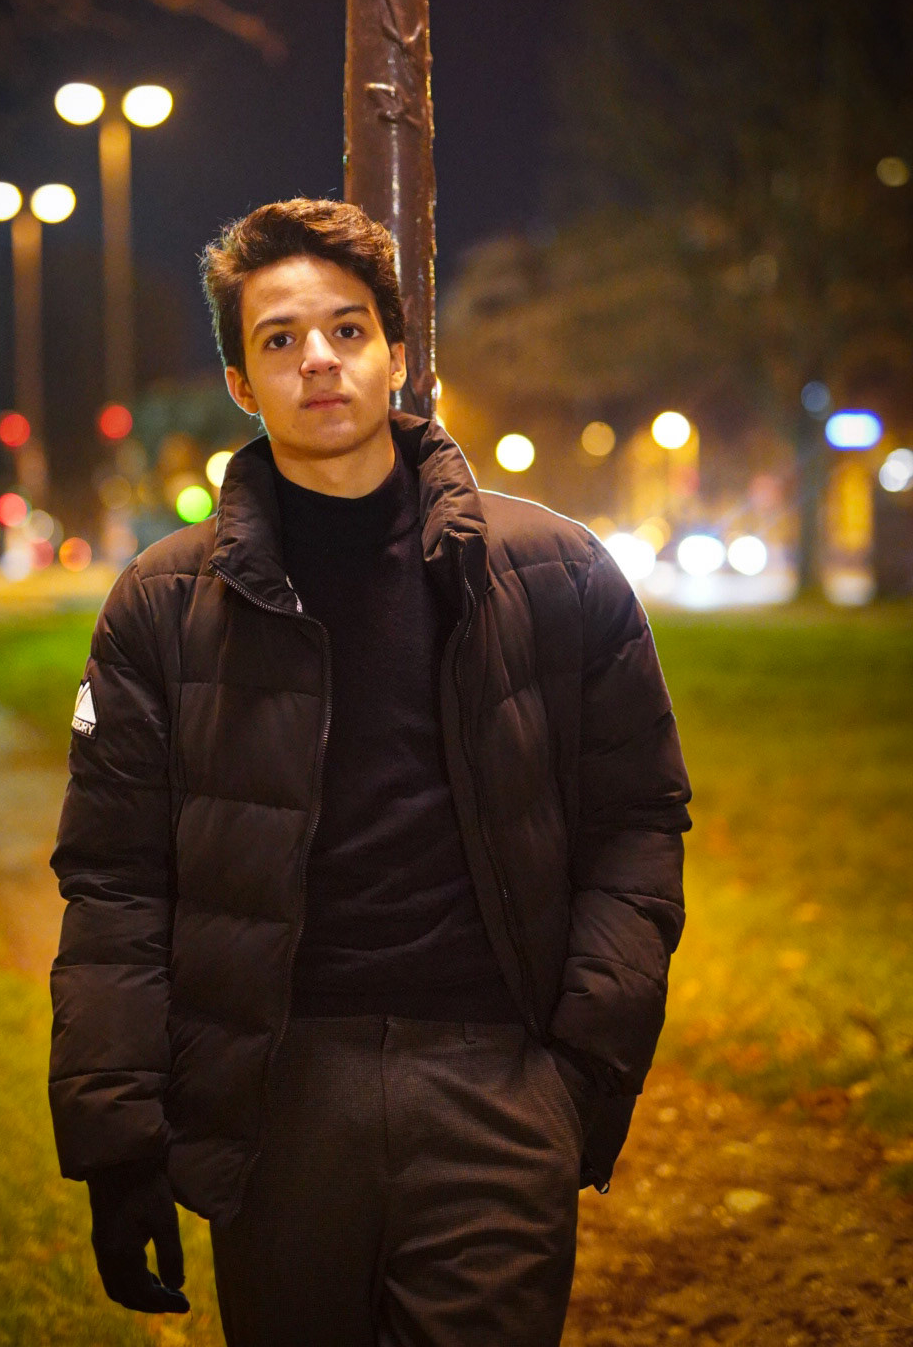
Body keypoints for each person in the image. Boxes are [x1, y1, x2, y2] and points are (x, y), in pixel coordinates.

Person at [48, 197, 692, 1345]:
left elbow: (638, 821)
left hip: (497, 1080)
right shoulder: (163, 601)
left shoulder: (556, 571)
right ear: (242, 383)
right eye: (280, 338)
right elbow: (115, 879)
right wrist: (117, 1140)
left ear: (397, 354)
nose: (319, 359)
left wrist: (584, 1063)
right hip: (277, 1091)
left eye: (347, 329)